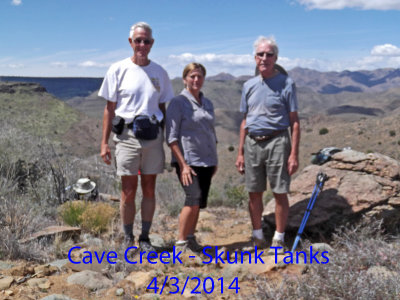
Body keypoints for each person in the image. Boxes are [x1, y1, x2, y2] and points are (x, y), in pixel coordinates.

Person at [99, 22, 174, 252]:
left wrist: (167, 138)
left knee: (149, 188)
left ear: (152, 44)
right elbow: (109, 109)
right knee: (128, 189)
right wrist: (103, 143)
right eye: (138, 40)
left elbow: (163, 106)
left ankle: (145, 237)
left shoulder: (159, 72)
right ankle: (127, 236)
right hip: (127, 137)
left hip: (152, 137)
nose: (142, 45)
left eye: (147, 41)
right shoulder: (118, 69)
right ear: (130, 42)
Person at [235, 36, 300, 254]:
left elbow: (295, 121)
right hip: (253, 142)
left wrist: (294, 154)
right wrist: (240, 152)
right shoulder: (248, 85)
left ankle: (279, 239)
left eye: (269, 54)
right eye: (260, 54)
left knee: (279, 192)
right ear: (254, 58)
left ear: (275, 58)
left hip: (278, 141)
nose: (264, 58)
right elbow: (245, 120)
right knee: (254, 192)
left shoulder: (286, 83)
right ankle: (258, 237)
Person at [166, 63, 218, 252]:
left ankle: (190, 238)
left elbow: (211, 132)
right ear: (185, 79)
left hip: (207, 160)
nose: (196, 80)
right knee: (192, 197)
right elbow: (171, 137)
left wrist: (215, 160)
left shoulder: (208, 103)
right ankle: (180, 244)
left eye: (199, 76)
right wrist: (183, 165)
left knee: (199, 202)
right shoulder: (178, 103)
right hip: (188, 160)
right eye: (192, 76)